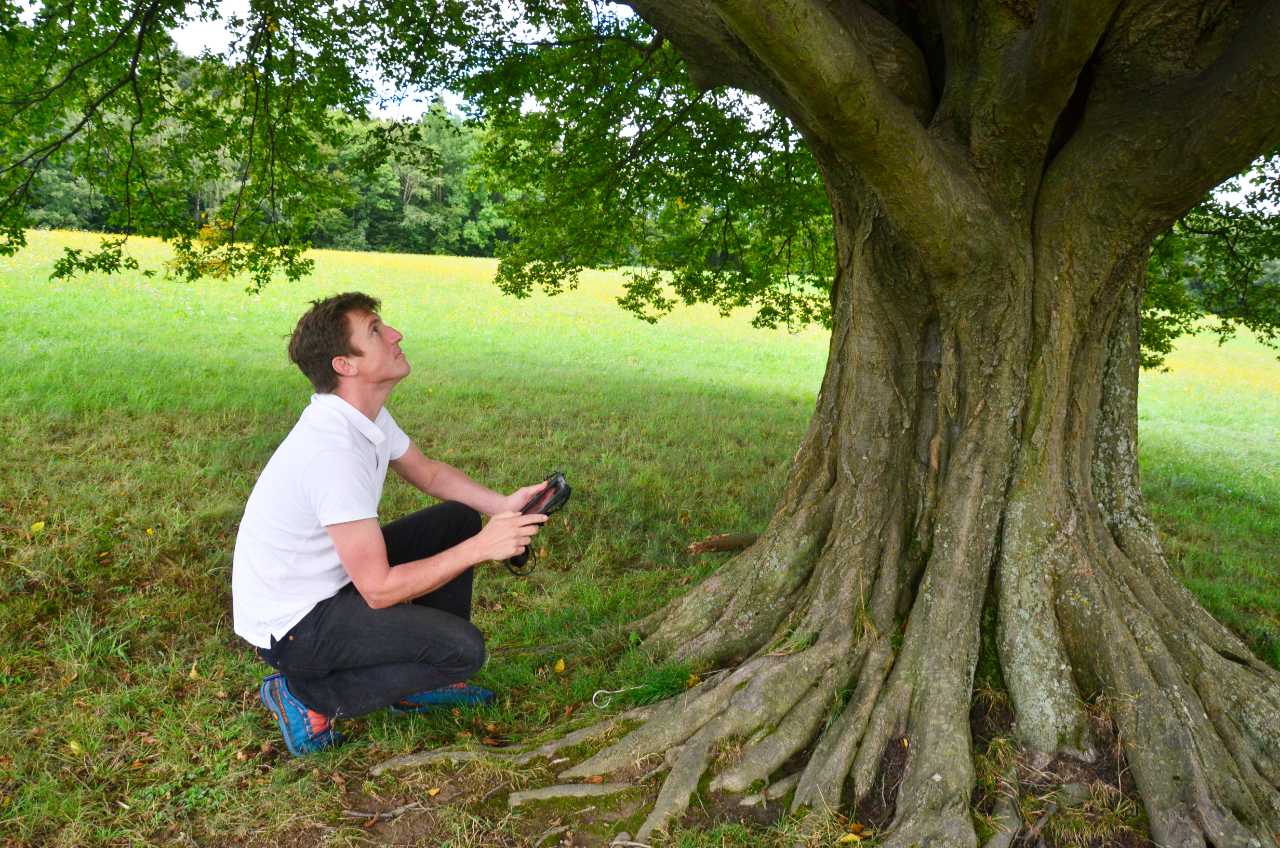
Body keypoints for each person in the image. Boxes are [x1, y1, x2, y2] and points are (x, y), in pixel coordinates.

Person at [231, 291, 549, 756]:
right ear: (346, 365)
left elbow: (429, 472)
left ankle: (416, 682)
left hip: (329, 585)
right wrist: (482, 547)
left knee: (456, 519)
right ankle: (303, 695)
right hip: (295, 626)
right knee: (464, 652)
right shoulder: (332, 451)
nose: (396, 335)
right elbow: (378, 588)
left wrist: (501, 506)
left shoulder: (361, 415)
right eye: (376, 331)